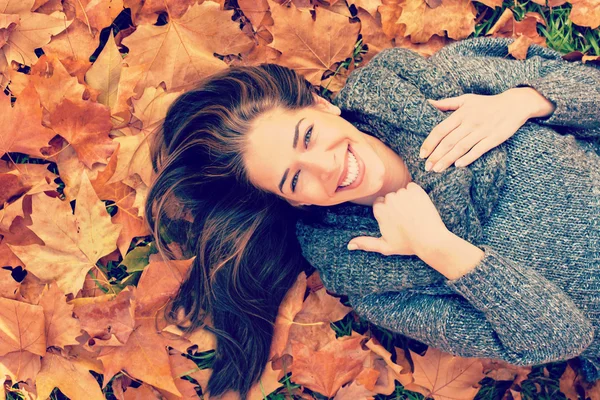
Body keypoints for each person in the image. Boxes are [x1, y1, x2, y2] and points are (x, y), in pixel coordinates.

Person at [145, 36, 600, 400]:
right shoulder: (370, 281)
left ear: (323, 106)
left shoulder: (413, 85)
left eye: (308, 136)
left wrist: (526, 100)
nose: (325, 167)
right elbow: (561, 341)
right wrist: (442, 250)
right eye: (294, 180)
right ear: (294, 203)